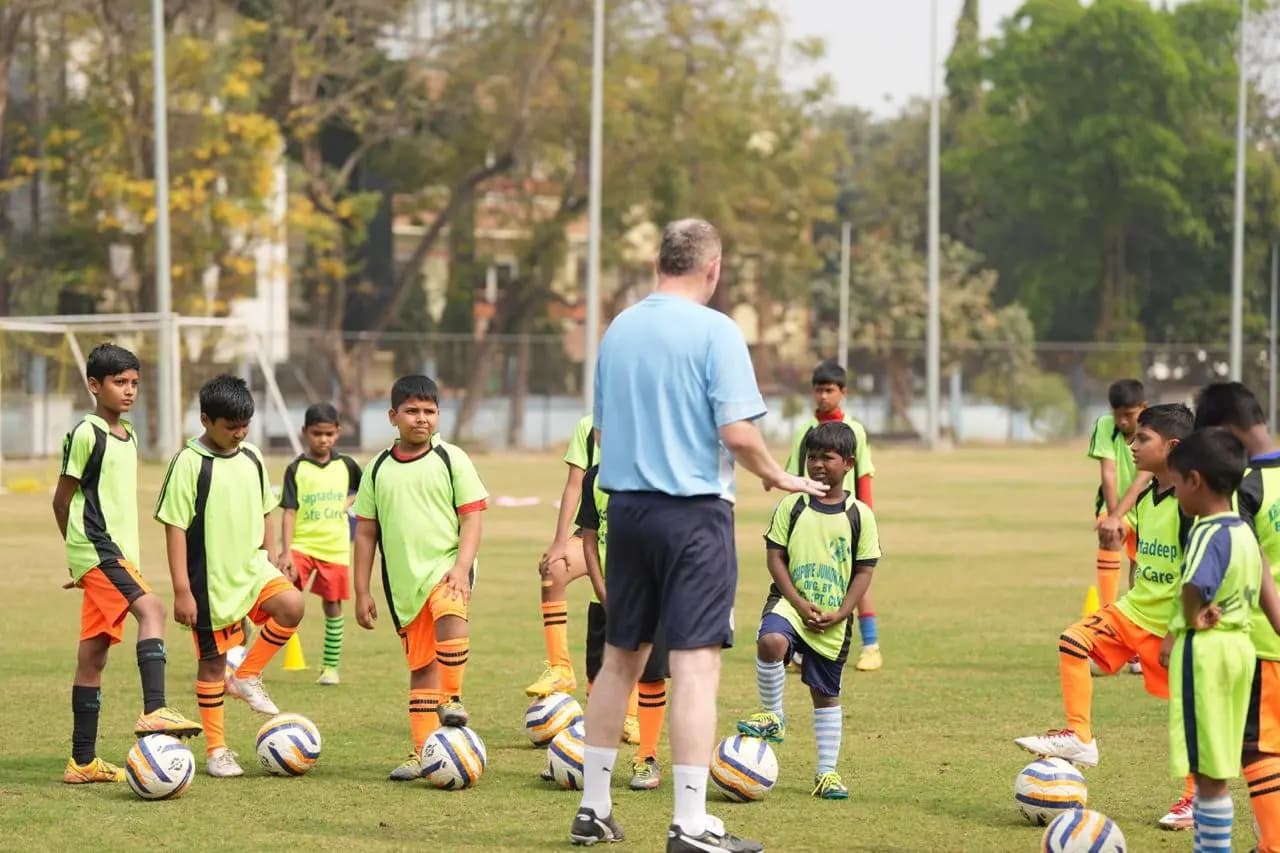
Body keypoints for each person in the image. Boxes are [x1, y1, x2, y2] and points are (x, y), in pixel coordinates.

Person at [568, 218, 825, 853]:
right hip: (692, 515)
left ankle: (593, 809)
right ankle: (689, 823)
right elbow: (738, 433)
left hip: (626, 512)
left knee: (621, 658)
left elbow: (601, 433)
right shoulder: (716, 330)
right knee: (696, 665)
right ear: (712, 269)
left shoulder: (619, 329)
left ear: (662, 261)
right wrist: (774, 475)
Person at [1014, 404, 1195, 828]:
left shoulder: (1191, 502)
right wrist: (1117, 534)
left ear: (1172, 447)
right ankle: (1080, 736)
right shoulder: (1150, 495)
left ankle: (1194, 800)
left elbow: (1196, 569)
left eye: (1142, 439)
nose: (1132, 445)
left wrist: (1176, 628)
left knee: (1187, 715)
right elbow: (1133, 539)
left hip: (1171, 622)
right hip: (1134, 609)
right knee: (1073, 640)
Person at [54, 343, 201, 783]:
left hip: (115, 555)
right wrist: (80, 558)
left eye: (135, 382)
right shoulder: (87, 433)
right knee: (152, 609)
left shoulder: (129, 435)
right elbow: (62, 499)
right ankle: (155, 710)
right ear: (94, 386)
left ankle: (81, 763)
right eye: (120, 382)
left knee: (93, 656)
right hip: (99, 551)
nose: (129, 390)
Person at [155, 374, 305, 778]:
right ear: (206, 420)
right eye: (231, 426)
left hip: (252, 568)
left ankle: (249, 674)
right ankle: (217, 750)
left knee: (292, 605)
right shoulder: (189, 464)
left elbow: (264, 508)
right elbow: (173, 528)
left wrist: (272, 555)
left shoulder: (252, 456)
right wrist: (182, 591)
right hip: (209, 582)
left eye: (245, 424)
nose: (240, 433)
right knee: (211, 665)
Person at [352, 375, 488, 781]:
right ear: (393, 416)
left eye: (429, 411)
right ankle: (423, 751)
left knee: (450, 611)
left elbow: (472, 517)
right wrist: (361, 590)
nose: (421, 418)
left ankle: (453, 698)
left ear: (439, 416)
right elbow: (365, 532)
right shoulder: (376, 469)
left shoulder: (453, 459)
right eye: (412, 411)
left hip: (448, 567)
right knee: (421, 666)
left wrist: (462, 567)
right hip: (403, 585)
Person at [737, 421, 881, 800]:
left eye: (827, 458)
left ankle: (826, 773)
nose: (817, 464)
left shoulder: (860, 515)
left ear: (848, 463)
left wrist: (842, 612)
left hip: (833, 617)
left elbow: (865, 569)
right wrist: (798, 603)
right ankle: (773, 715)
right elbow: (774, 556)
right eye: (811, 457)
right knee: (770, 641)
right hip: (789, 601)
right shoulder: (792, 504)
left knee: (825, 694)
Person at [1160, 426, 1280, 852]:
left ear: (1194, 480)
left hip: (1208, 655)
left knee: (1207, 771)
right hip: (1243, 652)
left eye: (1175, 485)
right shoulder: (1246, 533)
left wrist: (1190, 620)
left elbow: (1194, 585)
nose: (1174, 495)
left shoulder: (1206, 531)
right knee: (1223, 762)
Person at [1193, 382, 1280, 850]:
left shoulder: (1243, 486)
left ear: (1228, 432)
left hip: (1265, 642)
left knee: (1258, 749)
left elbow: (1253, 560)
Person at [527, 414, 641, 744]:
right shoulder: (589, 425)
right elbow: (575, 483)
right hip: (595, 528)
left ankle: (631, 716)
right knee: (554, 569)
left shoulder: (649, 415)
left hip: (637, 533)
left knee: (632, 626)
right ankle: (561, 668)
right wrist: (560, 542)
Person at [784, 360, 882, 671]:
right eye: (818, 390)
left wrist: (867, 517)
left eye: (829, 390)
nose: (823, 396)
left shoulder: (854, 431)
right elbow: (794, 477)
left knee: (855, 580)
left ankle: (871, 646)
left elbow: (864, 474)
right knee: (808, 581)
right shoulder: (805, 431)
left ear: (843, 392)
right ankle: (802, 650)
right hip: (811, 519)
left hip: (846, 518)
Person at [576, 460, 669, 791]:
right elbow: (589, 538)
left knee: (650, 677)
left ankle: (646, 758)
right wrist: (604, 594)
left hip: (652, 597)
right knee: (598, 678)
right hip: (606, 598)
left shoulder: (657, 471)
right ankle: (592, 756)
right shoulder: (596, 476)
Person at [280, 403, 362, 686]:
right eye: (317, 434)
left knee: (333, 605)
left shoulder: (347, 465)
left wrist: (349, 502)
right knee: (281, 597)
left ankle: (330, 667)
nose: (323, 439)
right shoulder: (296, 469)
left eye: (329, 433)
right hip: (302, 544)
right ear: (305, 433)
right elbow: (289, 511)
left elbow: (366, 491)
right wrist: (286, 550)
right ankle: (253, 662)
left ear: (338, 432)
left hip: (335, 548)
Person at [1090, 379, 1151, 612]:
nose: (1122, 420)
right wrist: (1114, 517)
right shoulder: (1105, 425)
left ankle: (1137, 620)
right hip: (1114, 502)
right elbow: (1108, 472)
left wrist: (1116, 516)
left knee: (1141, 567)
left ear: (1143, 407)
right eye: (1117, 414)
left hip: (1148, 506)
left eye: (1129, 414)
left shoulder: (1155, 429)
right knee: (1109, 535)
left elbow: (1142, 478)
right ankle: (1107, 615)